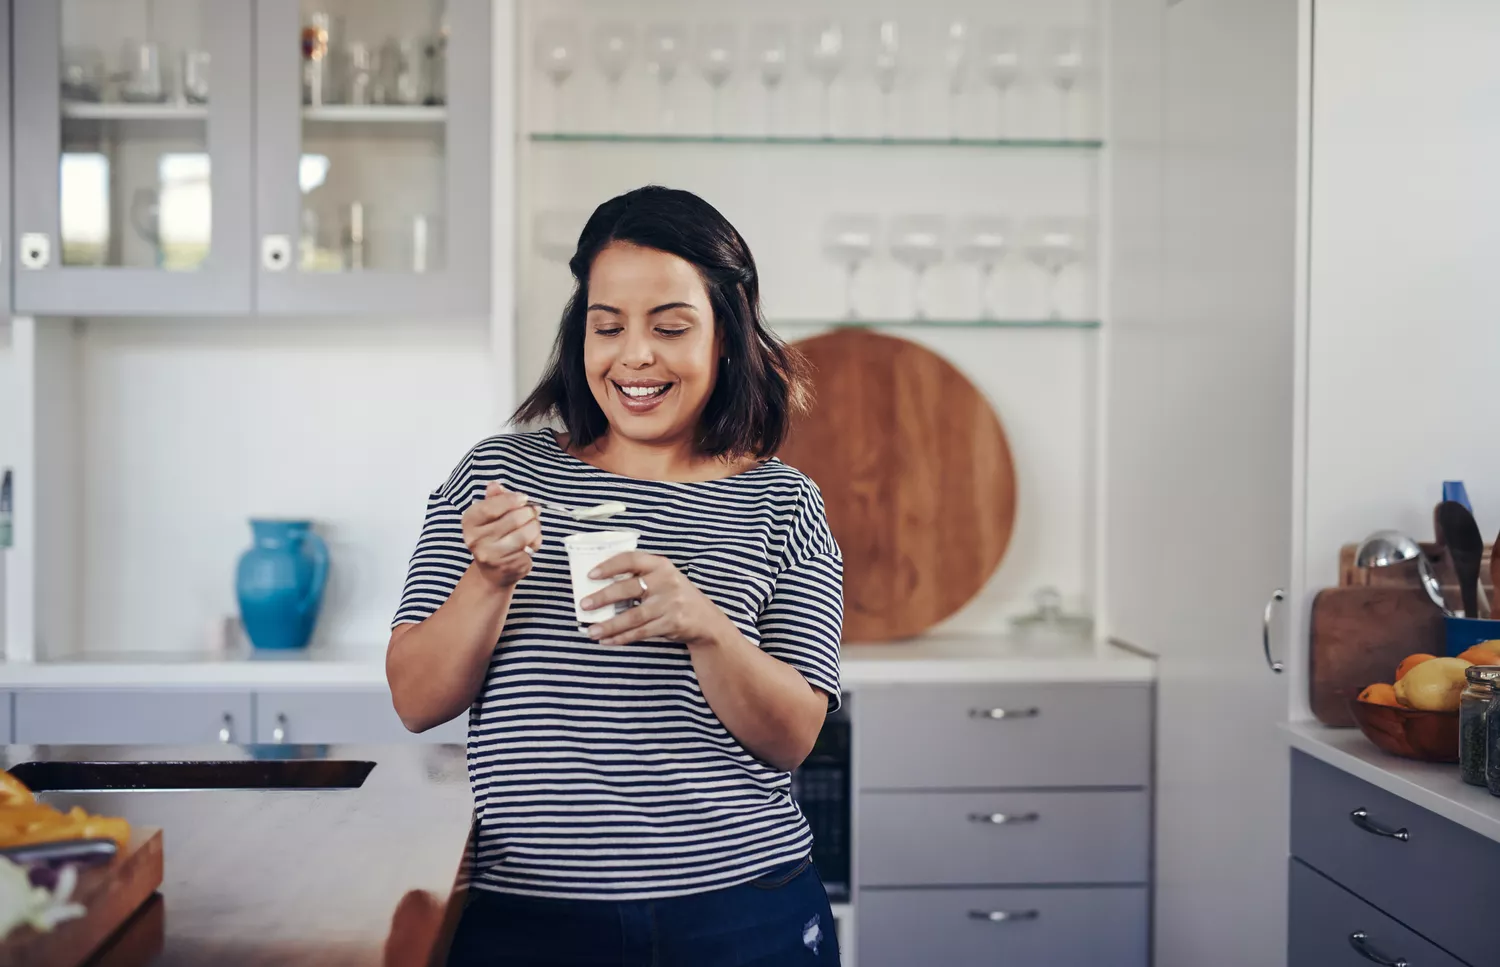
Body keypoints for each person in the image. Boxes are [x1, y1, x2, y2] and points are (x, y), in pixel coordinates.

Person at [387, 185, 845, 967]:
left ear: (725, 336)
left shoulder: (781, 502)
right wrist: (488, 581)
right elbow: (416, 699)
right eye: (609, 326)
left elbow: (793, 736)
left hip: (741, 913)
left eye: (670, 327)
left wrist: (703, 623)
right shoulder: (499, 475)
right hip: (529, 917)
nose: (635, 355)